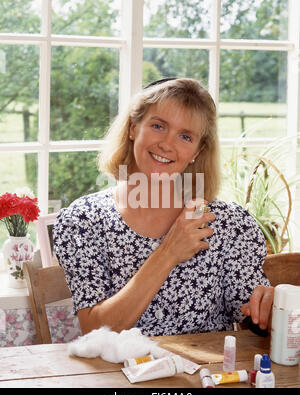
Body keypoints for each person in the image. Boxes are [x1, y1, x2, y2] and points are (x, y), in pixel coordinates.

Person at [53, 78, 274, 337]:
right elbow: (95, 329)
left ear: (196, 151)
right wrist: (169, 252)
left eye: (185, 136)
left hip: (204, 376)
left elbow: (252, 317)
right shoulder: (84, 220)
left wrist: (266, 312)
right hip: (115, 376)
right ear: (134, 127)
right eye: (158, 126)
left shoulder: (228, 223)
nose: (167, 144)